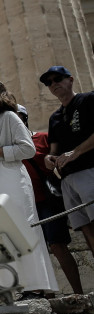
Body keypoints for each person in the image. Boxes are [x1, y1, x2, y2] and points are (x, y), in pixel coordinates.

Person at [0, 80, 58, 300]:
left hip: (13, 180)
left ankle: (35, 287)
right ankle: (19, 285)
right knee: (4, 233)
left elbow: (28, 149)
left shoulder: (10, 117)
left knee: (23, 228)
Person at [16, 104, 83, 294]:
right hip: (25, 205)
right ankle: (46, 293)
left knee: (57, 245)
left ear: (25, 117)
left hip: (46, 200)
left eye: (17, 115)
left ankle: (79, 293)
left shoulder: (43, 138)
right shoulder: (8, 146)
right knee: (33, 250)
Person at [42, 65, 94, 261]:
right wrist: (49, 158)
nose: (53, 84)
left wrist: (76, 152)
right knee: (85, 227)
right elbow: (53, 150)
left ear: (70, 79)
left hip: (89, 170)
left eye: (57, 79)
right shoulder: (54, 117)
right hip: (67, 180)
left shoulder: (88, 100)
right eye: (49, 82)